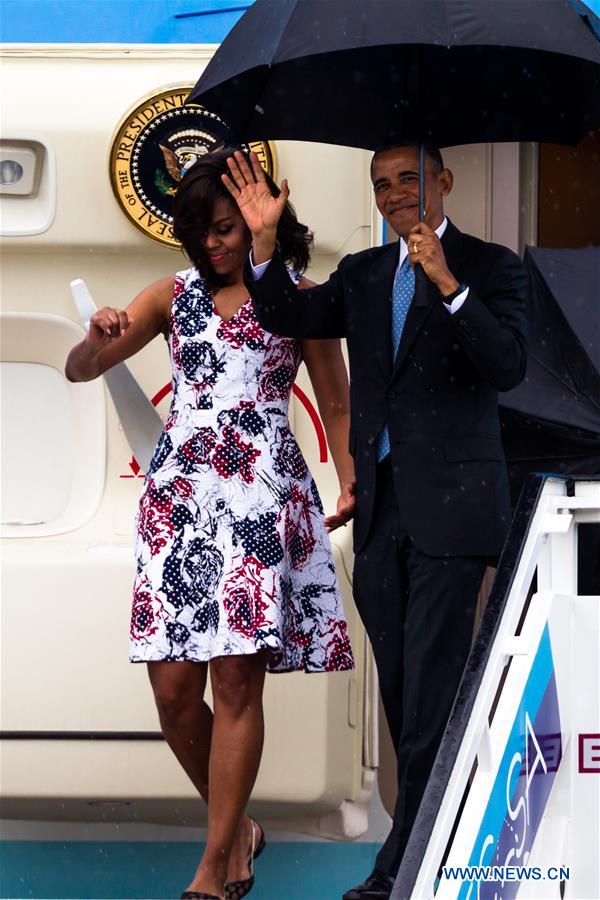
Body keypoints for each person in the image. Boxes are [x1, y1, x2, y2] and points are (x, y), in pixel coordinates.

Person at [222, 144, 528, 900]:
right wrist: (264, 242)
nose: (396, 194)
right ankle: (429, 849)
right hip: (382, 511)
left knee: (429, 694)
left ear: (444, 183)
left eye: (410, 180)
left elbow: (509, 364)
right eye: (382, 183)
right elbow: (286, 314)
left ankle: (406, 863)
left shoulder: (490, 266)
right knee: (401, 693)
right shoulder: (363, 271)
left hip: (454, 512)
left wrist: (448, 284)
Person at [65, 147, 355, 900]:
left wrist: (350, 477)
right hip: (182, 504)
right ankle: (240, 828)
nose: (214, 244)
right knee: (171, 693)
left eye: (226, 228)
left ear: (262, 218)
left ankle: (214, 862)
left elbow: (339, 404)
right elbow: (78, 369)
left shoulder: (299, 296)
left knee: (234, 680)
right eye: (201, 233)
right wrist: (96, 337)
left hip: (260, 498)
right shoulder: (171, 296)